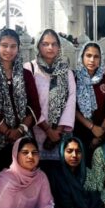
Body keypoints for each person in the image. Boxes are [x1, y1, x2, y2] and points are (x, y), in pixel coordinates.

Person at [0, 27, 41, 183]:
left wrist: (20, 130)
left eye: (13, 46)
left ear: (18, 48)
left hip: (22, 139)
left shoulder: (25, 74)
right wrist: (6, 131)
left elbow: (34, 106)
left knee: (24, 185)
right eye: (4, 45)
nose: (9, 50)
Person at [25, 29, 76, 161]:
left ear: (59, 47)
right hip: (36, 128)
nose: (50, 48)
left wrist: (57, 130)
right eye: (45, 44)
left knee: (59, 168)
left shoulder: (66, 72)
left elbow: (71, 101)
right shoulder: (29, 69)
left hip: (60, 133)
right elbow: (29, 102)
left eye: (54, 44)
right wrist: (48, 130)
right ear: (38, 46)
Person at [72, 42, 105, 158]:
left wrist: (100, 132)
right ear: (82, 57)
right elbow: (73, 108)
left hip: (102, 133)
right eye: (88, 55)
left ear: (101, 59)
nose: (92, 60)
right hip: (79, 132)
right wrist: (92, 127)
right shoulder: (74, 78)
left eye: (96, 57)